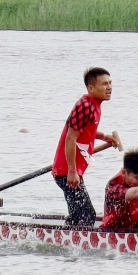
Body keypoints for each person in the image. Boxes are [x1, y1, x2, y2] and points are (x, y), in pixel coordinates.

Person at [52, 67, 121, 226]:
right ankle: (69, 243)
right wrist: (72, 171)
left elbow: (86, 130)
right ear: (91, 88)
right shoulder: (85, 105)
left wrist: (104, 136)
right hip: (66, 171)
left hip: (71, 170)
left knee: (81, 216)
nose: (109, 87)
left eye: (110, 83)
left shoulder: (94, 104)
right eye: (104, 84)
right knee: (86, 217)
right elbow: (70, 138)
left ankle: (68, 234)